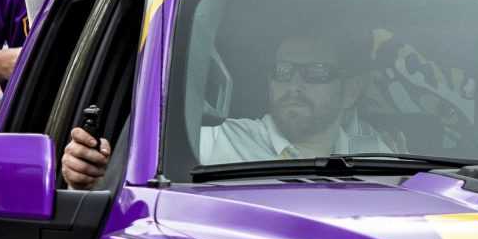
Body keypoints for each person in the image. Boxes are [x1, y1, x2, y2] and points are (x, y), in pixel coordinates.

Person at [62, 30, 385, 188]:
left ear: (352, 90)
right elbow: (126, 190)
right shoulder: (206, 146)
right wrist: (90, 175)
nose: (294, 86)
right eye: (283, 72)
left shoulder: (383, 163)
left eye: (315, 73)